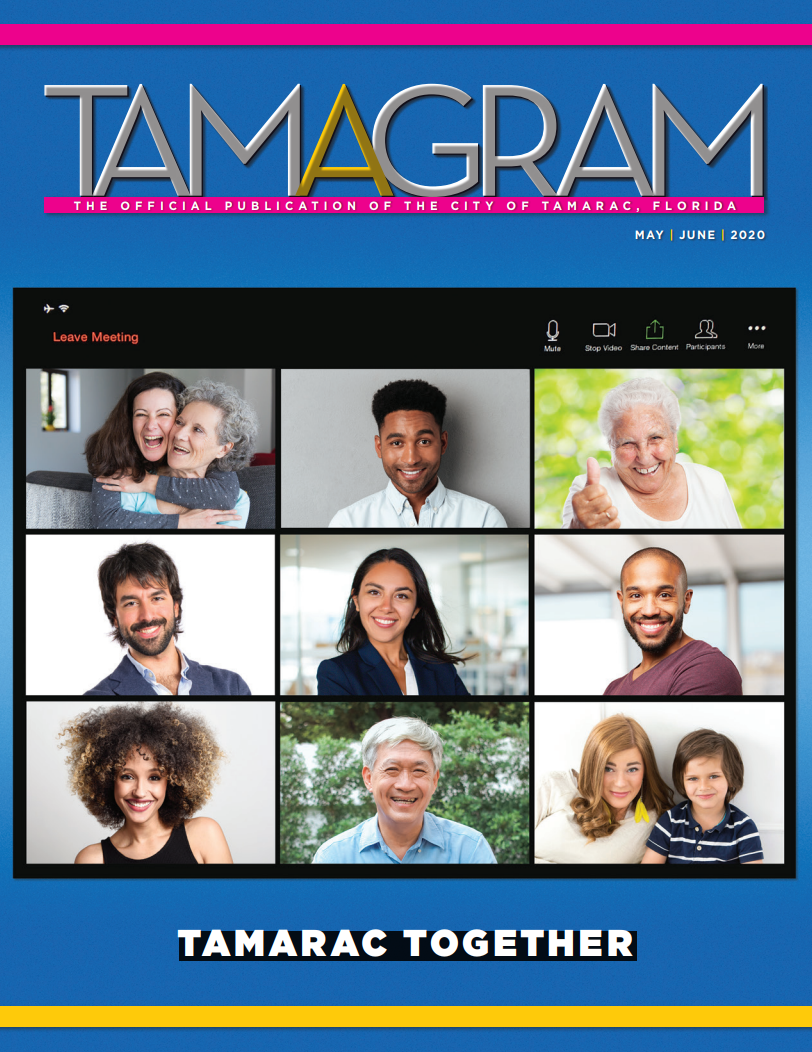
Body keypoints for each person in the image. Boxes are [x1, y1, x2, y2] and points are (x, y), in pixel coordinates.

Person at [61, 701, 233, 864]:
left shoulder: (204, 835)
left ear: (173, 782)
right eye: (127, 776)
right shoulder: (93, 860)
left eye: (154, 777)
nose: (140, 792)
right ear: (107, 780)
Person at [312, 716, 496, 864]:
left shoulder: (469, 850)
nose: (406, 785)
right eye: (392, 769)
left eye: (419, 771)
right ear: (368, 778)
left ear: (434, 780)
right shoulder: (334, 857)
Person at [563, 377, 741, 529]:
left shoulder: (711, 482)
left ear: (675, 440)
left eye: (655, 438)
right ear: (611, 447)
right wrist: (578, 528)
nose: (645, 457)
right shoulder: (589, 492)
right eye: (627, 443)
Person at [328, 378, 507, 528]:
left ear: (443, 443)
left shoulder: (484, 520)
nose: (411, 459)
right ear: (379, 447)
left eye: (424, 442)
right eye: (397, 443)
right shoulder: (348, 523)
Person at [86, 373, 253, 529]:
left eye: (164, 414)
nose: (180, 434)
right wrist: (181, 523)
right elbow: (107, 523)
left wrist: (148, 483)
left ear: (223, 449)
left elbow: (224, 495)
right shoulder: (123, 474)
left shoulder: (230, 495)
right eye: (180, 423)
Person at [84, 542, 251, 696]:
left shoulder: (231, 687)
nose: (147, 616)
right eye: (131, 603)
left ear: (176, 607)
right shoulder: (98, 698)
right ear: (114, 617)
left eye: (157, 598)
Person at [316, 547, 470, 695]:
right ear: (356, 601)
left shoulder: (442, 669)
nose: (386, 607)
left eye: (401, 595)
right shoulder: (336, 673)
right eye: (374, 592)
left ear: (416, 608)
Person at [535, 714, 673, 864]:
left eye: (632, 769)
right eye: (608, 769)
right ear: (593, 766)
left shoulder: (655, 822)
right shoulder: (553, 785)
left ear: (646, 771)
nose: (620, 783)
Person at [604, 547, 743, 696]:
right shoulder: (613, 689)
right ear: (622, 601)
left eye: (664, 595)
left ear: (686, 600)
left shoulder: (708, 668)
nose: (650, 611)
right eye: (636, 595)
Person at [642, 729, 763, 864]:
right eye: (693, 778)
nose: (704, 787)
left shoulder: (744, 828)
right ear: (682, 780)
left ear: (731, 777)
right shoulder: (670, 822)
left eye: (713, 776)